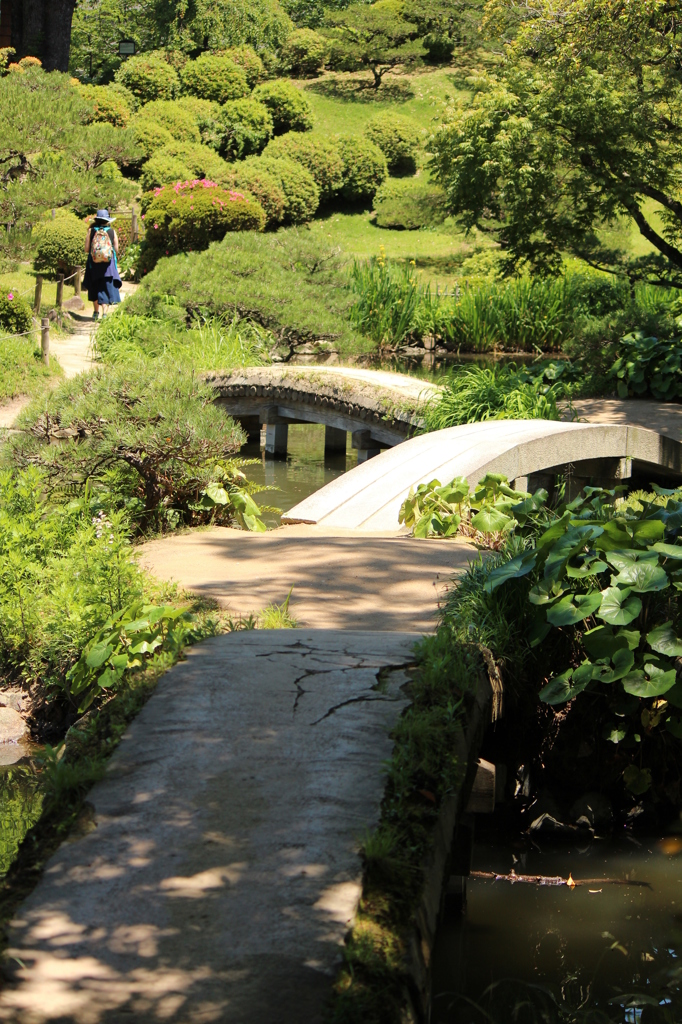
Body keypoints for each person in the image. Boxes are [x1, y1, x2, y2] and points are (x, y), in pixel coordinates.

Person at [83, 209, 122, 320]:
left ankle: (96, 312)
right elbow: (116, 249)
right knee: (106, 288)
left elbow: (86, 249)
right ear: (107, 220)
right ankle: (105, 313)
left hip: (93, 265)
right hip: (108, 266)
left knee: (95, 287)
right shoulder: (111, 231)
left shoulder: (91, 231)